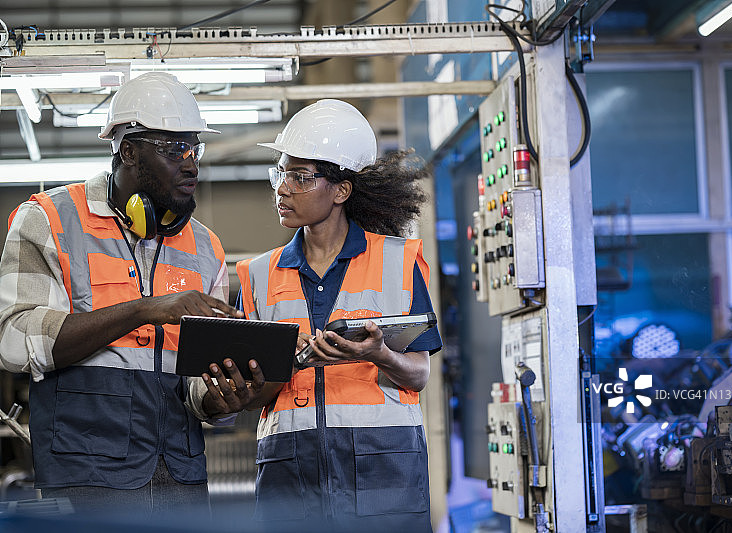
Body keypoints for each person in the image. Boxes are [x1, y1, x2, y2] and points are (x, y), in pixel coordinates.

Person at [0, 72, 243, 516]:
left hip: (180, 477)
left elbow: (194, 385)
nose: (191, 163)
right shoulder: (49, 220)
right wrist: (143, 310)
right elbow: (15, 342)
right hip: (86, 476)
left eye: (195, 148)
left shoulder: (205, 246)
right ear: (128, 150)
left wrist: (219, 399)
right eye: (174, 149)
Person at [200, 99, 442, 532]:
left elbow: (418, 376)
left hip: (383, 471)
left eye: (300, 176)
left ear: (341, 190)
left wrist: (379, 354)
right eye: (281, 173)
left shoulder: (398, 262)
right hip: (290, 475)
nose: (282, 188)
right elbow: (255, 393)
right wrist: (278, 361)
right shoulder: (258, 274)